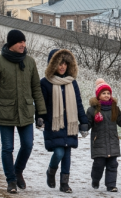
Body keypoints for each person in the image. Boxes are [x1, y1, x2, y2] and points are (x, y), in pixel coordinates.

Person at [0, 29, 47, 194]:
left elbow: (36, 88)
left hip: (25, 111)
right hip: (6, 112)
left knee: (28, 144)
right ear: (11, 44)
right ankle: (11, 180)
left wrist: (41, 112)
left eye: (24, 42)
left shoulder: (30, 62)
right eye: (20, 42)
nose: (23, 45)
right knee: (7, 148)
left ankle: (18, 171)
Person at [38, 49, 89, 193]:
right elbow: (41, 104)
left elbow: (78, 103)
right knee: (59, 153)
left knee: (67, 154)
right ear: (53, 64)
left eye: (65, 64)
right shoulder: (45, 83)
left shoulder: (72, 83)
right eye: (59, 64)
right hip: (54, 124)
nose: (62, 67)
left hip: (70, 123)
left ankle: (64, 184)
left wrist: (84, 121)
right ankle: (51, 171)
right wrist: (40, 118)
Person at [88, 78, 121, 192]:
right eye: (104, 93)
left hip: (112, 141)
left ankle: (111, 185)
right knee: (99, 164)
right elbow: (88, 123)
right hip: (99, 142)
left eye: (108, 93)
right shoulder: (92, 110)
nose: (106, 95)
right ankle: (95, 179)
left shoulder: (114, 109)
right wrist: (83, 126)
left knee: (113, 164)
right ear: (98, 95)